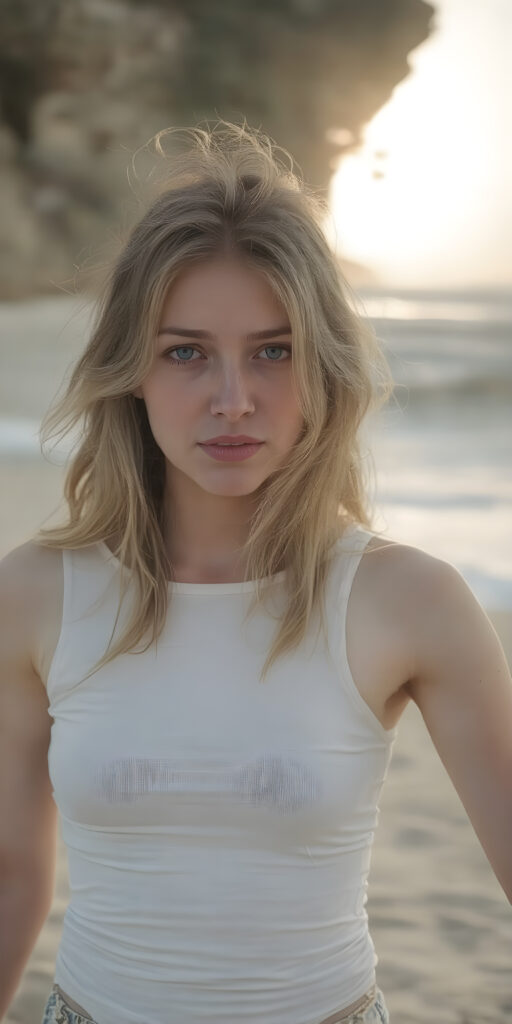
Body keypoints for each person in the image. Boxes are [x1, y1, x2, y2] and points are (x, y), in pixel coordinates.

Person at [1, 120, 511, 1024]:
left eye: (273, 351)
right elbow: (10, 874)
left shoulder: (411, 601)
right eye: (186, 351)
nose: (232, 397)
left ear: (322, 368)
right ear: (132, 372)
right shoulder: (38, 592)